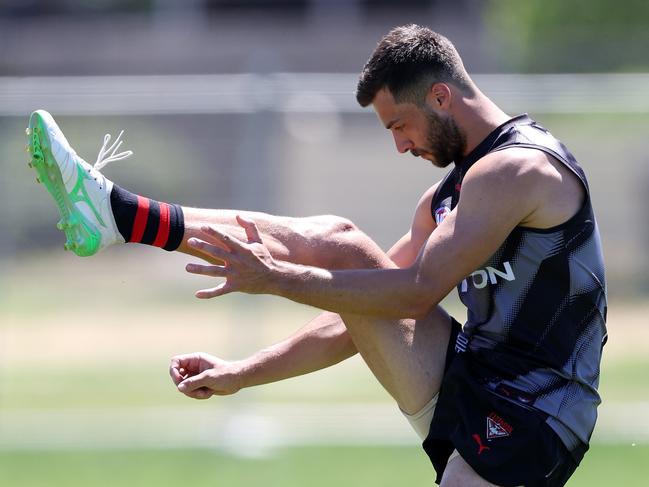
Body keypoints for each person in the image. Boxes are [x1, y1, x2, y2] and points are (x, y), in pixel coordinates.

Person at [27, 25, 606, 487]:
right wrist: (240, 373)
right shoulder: (449, 194)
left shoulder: (519, 169)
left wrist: (278, 278)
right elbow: (357, 313)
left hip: (540, 413)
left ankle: (119, 217)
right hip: (470, 377)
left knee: (345, 251)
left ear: (440, 95)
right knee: (339, 240)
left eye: (400, 124)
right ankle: (122, 215)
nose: (400, 144)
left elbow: (416, 291)